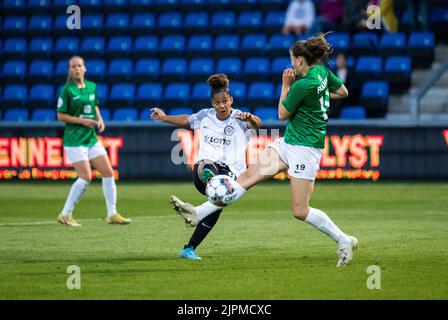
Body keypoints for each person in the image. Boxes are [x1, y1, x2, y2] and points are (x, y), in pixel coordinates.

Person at [170, 34, 358, 268]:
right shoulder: (321, 73)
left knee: (300, 210)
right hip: (288, 142)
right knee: (247, 177)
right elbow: (343, 92)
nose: (291, 64)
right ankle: (198, 213)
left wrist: (286, 86)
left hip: (306, 150)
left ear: (300, 60)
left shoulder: (302, 84)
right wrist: (319, 97)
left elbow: (282, 113)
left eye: (292, 60)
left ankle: (343, 240)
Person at [151, 74, 261, 260]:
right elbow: (187, 119)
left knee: (216, 207)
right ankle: (212, 180)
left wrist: (250, 118)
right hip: (204, 170)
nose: (222, 106)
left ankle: (189, 248)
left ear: (231, 99)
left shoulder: (240, 118)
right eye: (218, 103)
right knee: (208, 166)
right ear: (212, 103)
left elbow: (257, 124)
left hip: (232, 174)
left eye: (225, 101)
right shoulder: (205, 116)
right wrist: (164, 117)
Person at [56, 55, 131, 227]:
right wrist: (83, 121)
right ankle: (65, 214)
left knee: (108, 172)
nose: (76, 68)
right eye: (73, 66)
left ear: (84, 68)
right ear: (69, 70)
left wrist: (100, 119)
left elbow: (94, 104)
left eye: (79, 65)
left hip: (90, 138)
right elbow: (60, 115)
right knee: (86, 176)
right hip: (74, 139)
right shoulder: (67, 90)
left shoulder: (92, 87)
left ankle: (112, 214)